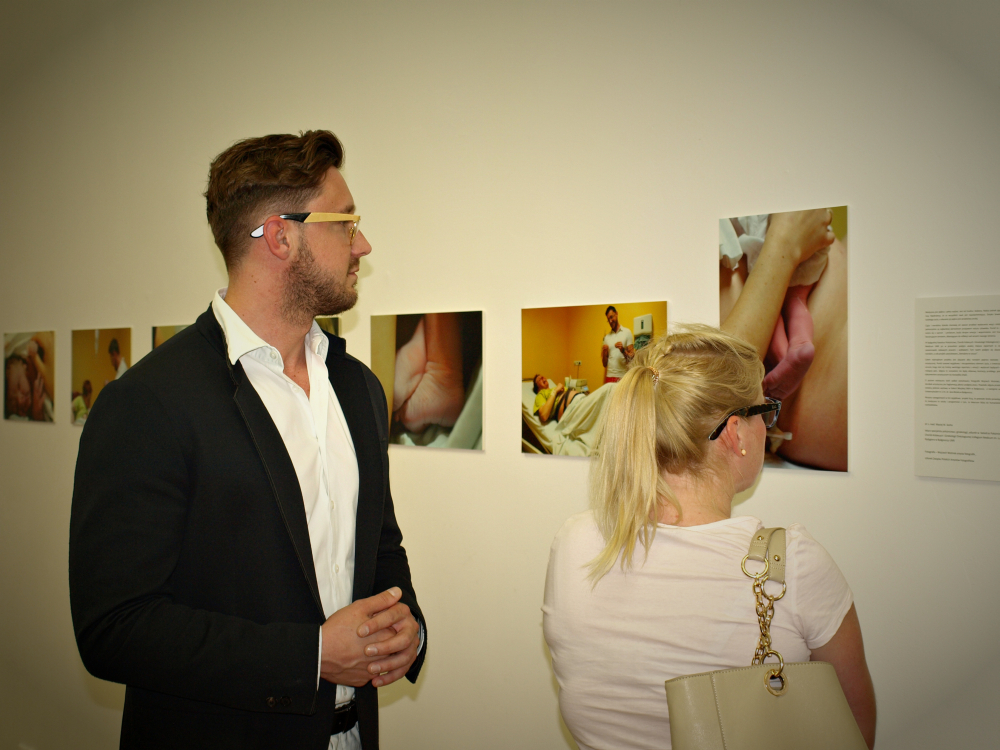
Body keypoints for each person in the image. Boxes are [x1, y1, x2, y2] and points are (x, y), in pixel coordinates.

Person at [70, 130, 426, 750]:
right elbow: (115, 628)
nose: (363, 244)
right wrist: (311, 655)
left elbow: (379, 546)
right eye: (346, 223)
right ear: (280, 236)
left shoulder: (358, 387)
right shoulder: (150, 402)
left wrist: (409, 625)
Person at [542, 325, 875, 750]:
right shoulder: (794, 568)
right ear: (735, 432)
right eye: (765, 411)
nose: (767, 425)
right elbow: (855, 734)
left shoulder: (575, 544)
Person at [720, 208, 847, 470]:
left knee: (778, 313)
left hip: (786, 264)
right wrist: (785, 242)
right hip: (807, 265)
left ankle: (784, 354)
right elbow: (716, 391)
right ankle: (795, 346)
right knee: (795, 304)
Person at [600, 305, 633, 384]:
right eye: (608, 319)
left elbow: (632, 358)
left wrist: (623, 350)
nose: (610, 321)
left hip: (623, 376)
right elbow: (604, 364)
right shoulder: (607, 338)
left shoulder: (627, 332)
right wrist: (604, 353)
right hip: (609, 376)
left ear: (616, 314)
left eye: (611, 317)